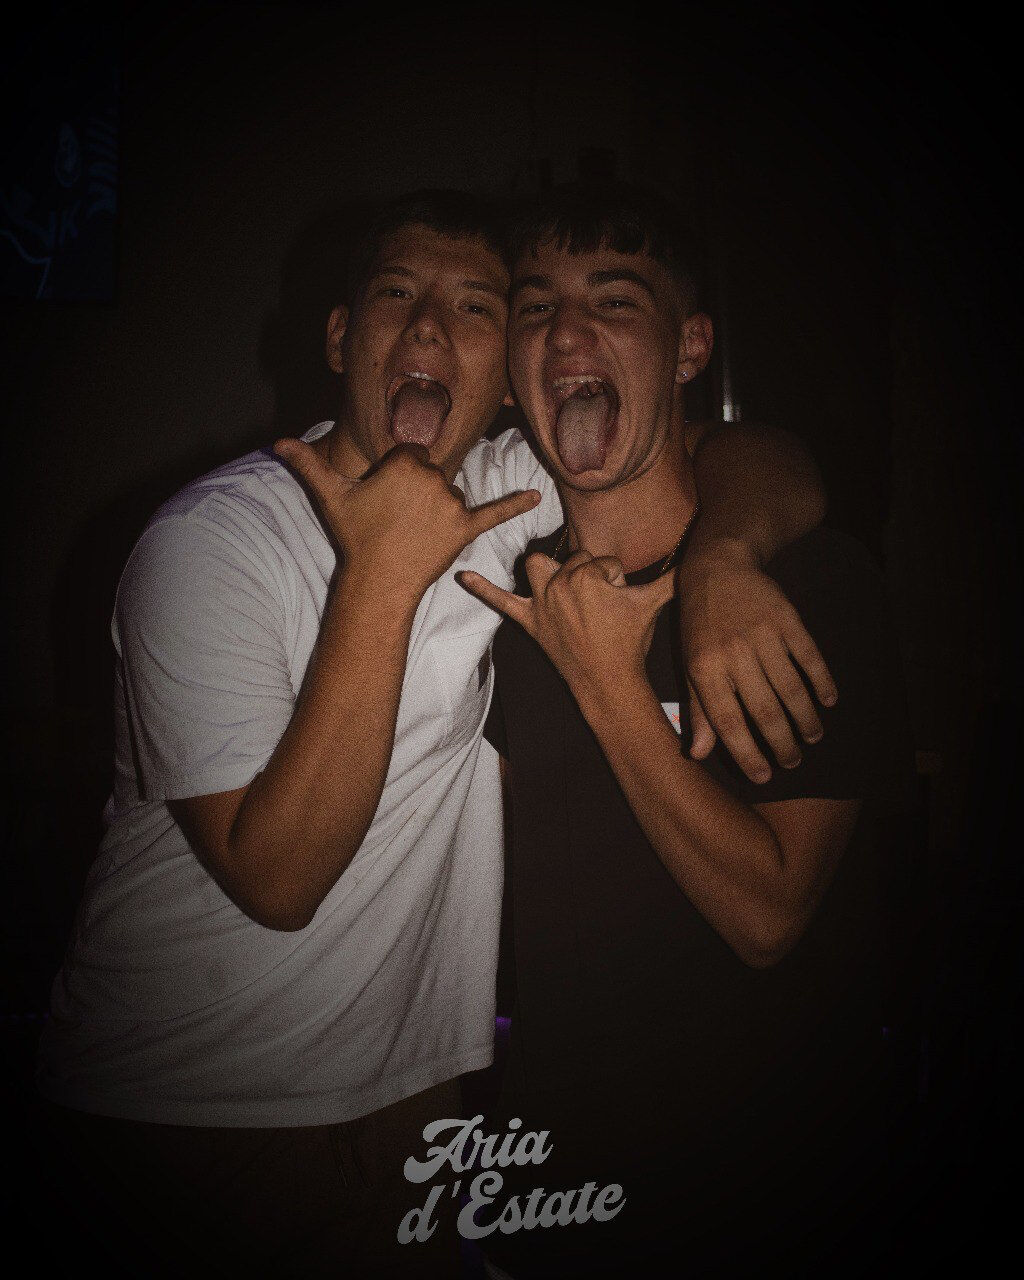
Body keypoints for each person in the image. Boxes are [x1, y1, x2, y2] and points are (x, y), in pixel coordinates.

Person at [37, 190, 830, 1276]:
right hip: (184, 1110)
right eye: (396, 294)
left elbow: (742, 452)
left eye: (472, 308)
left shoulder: (506, 496)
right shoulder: (212, 544)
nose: (425, 328)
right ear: (338, 336)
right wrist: (383, 572)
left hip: (415, 1113)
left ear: (505, 376)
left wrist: (727, 557)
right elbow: (278, 876)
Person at [463, 183, 911, 1277]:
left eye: (614, 301)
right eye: (536, 307)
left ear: (690, 347)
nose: (566, 333)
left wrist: (613, 685)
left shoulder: (809, 582)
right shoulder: (511, 600)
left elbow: (769, 913)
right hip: (551, 1188)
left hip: (769, 1195)